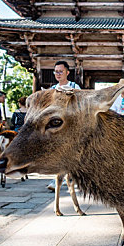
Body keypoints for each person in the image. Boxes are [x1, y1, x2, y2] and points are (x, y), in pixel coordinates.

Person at [47, 61, 81, 191]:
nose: (58, 74)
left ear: (67, 72)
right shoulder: (52, 89)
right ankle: (55, 180)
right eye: (56, 71)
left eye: (61, 71)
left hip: (71, 124)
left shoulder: (74, 86)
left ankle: (73, 179)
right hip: (56, 125)